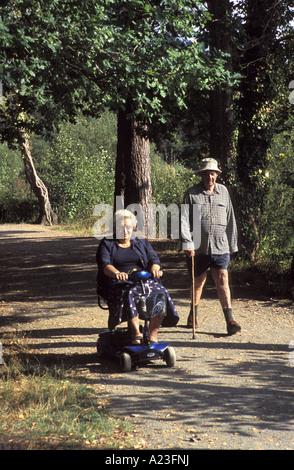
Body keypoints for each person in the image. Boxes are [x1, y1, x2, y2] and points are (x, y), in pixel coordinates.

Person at [96, 209, 179, 344]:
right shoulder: (107, 243)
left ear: (133, 228)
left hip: (143, 280)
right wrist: (117, 273)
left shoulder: (141, 242)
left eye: (128, 227)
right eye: (121, 227)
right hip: (119, 282)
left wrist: (155, 269)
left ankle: (153, 334)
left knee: (161, 291)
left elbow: (155, 261)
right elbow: (105, 265)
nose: (125, 230)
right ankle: (136, 334)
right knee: (129, 293)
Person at [181, 158, 241, 336]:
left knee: (222, 280)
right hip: (198, 247)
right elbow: (184, 220)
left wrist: (232, 243)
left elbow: (230, 218)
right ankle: (194, 314)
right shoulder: (191, 194)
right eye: (206, 173)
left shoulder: (223, 192)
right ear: (201, 175)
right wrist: (187, 242)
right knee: (198, 281)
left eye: (213, 173)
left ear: (217, 175)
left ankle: (230, 320)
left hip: (221, 244)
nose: (210, 177)